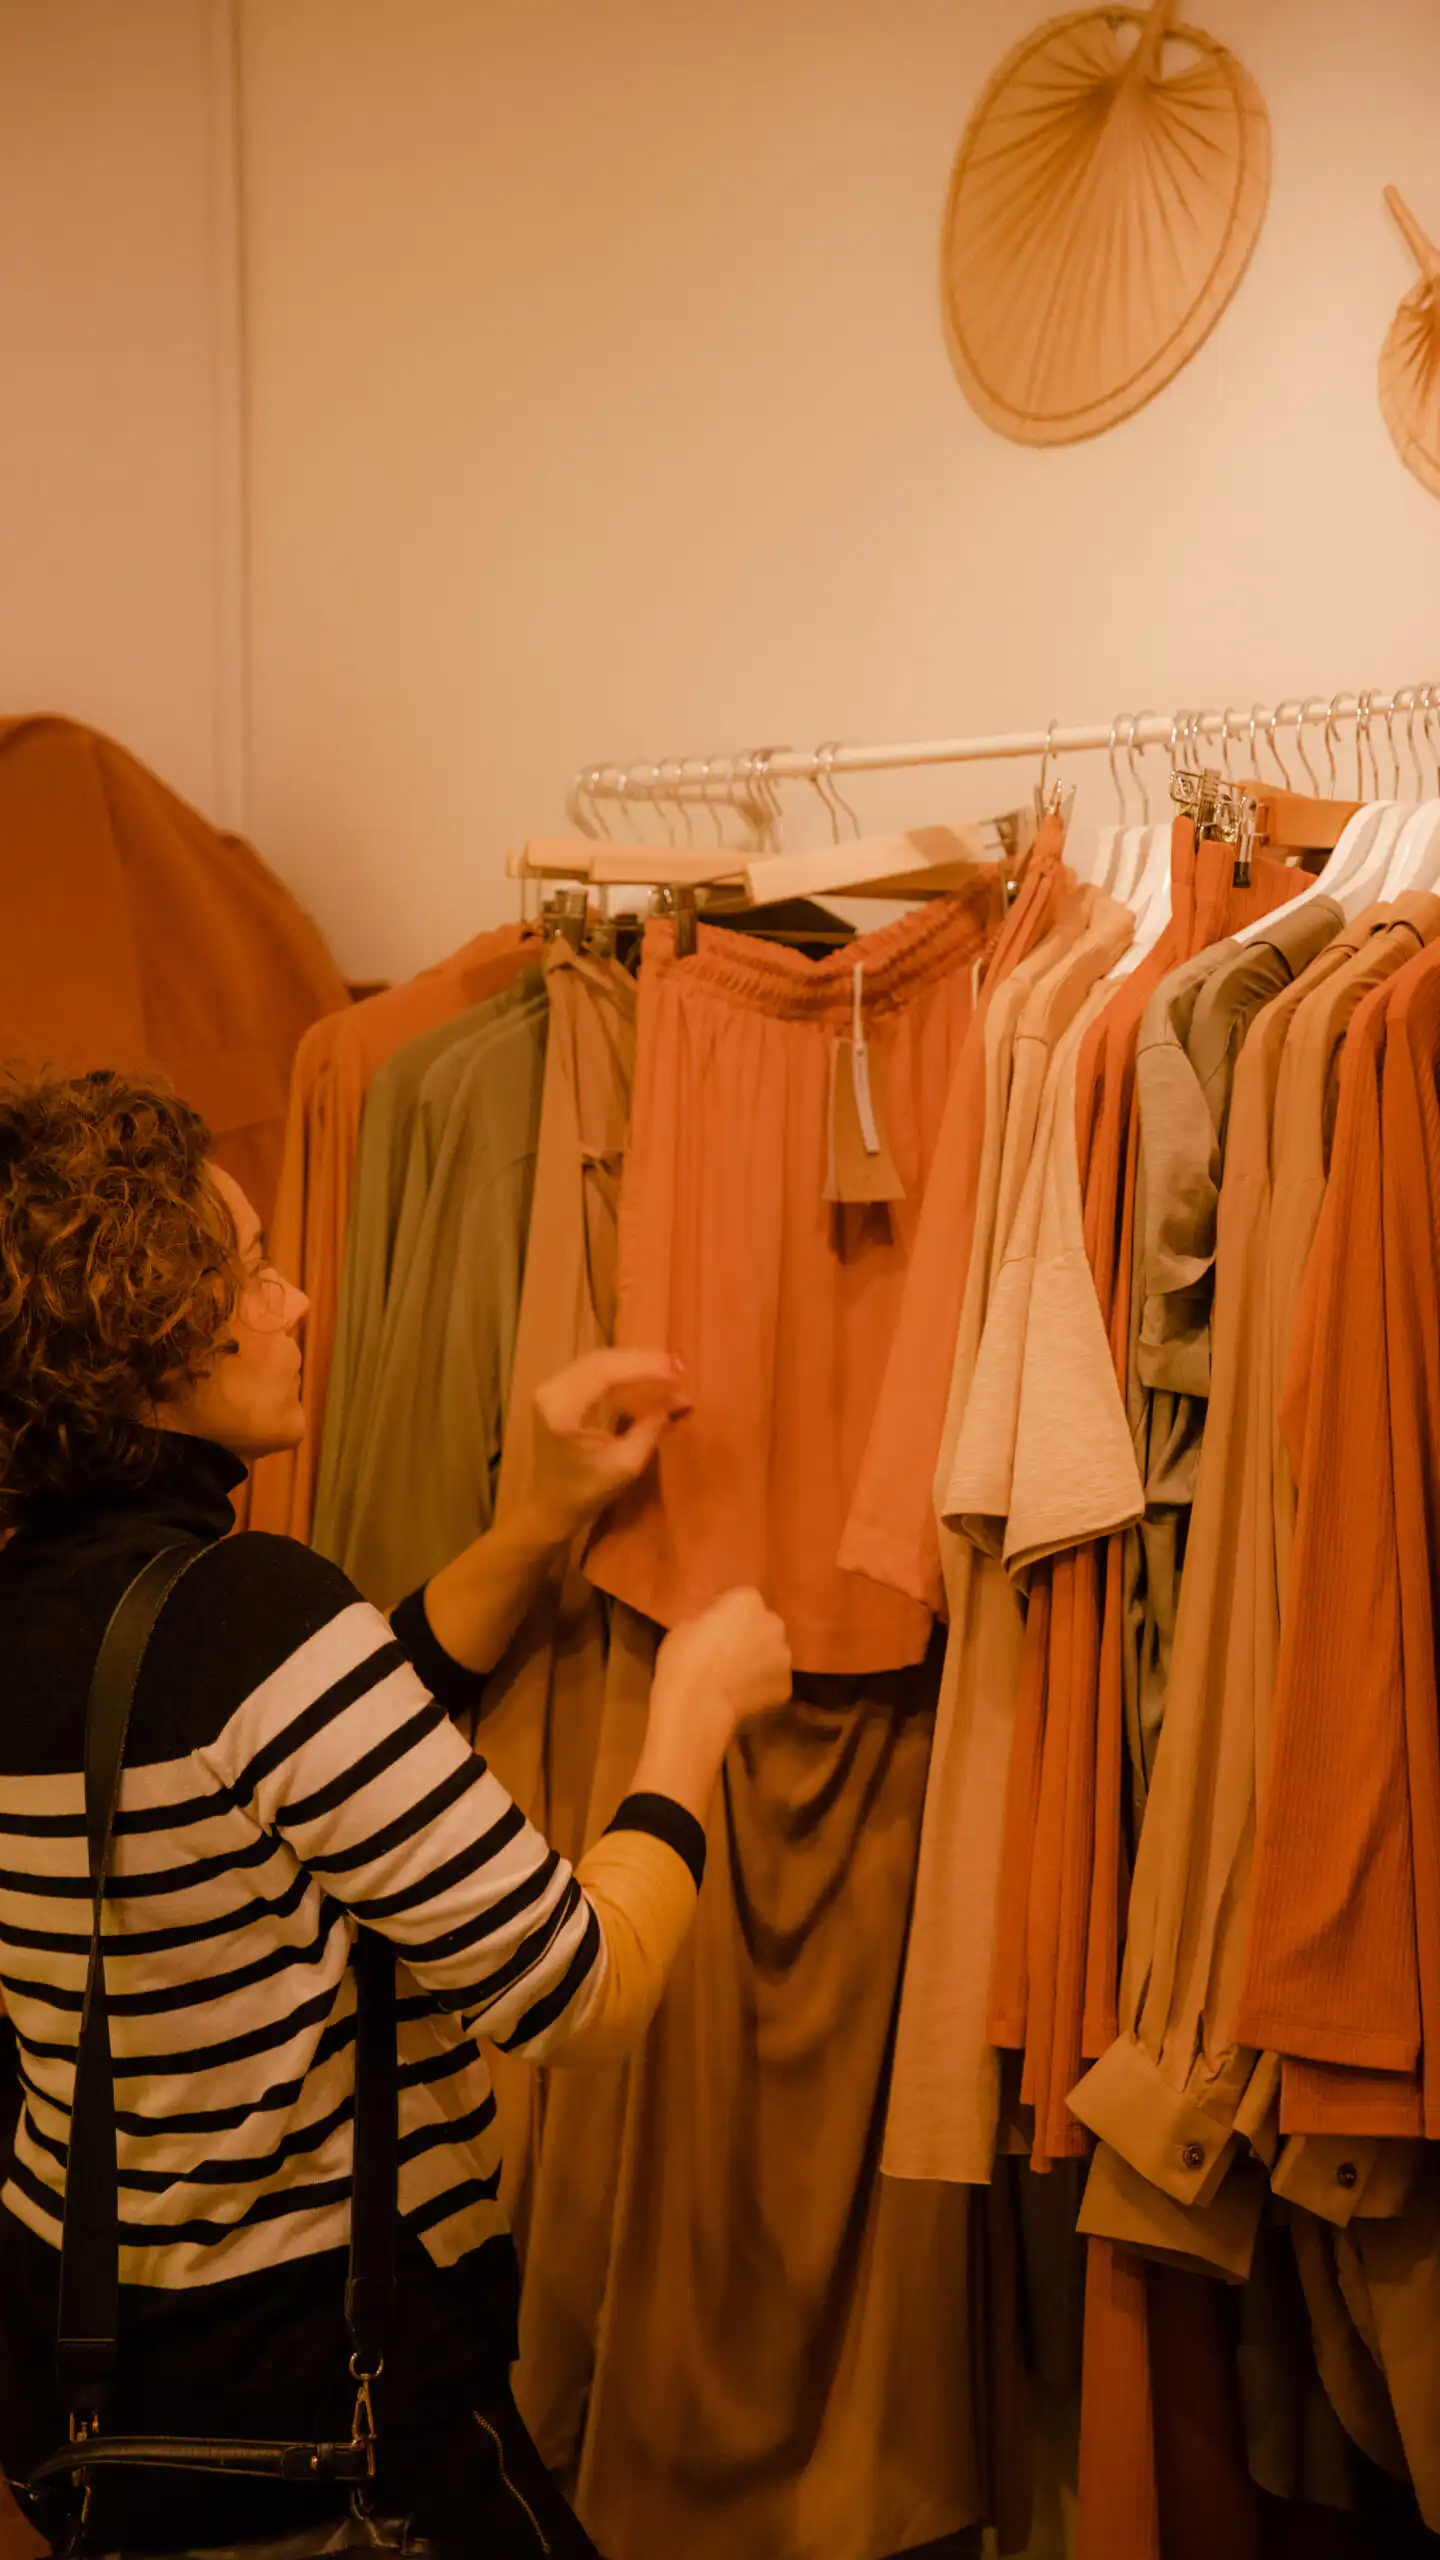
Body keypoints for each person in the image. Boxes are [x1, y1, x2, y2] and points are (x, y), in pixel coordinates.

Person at [0, 1067, 792, 2558]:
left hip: (99, 2380)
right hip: (325, 2402)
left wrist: (537, 1520)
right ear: (143, 1327)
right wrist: (691, 1722)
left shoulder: (60, 1614)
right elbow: (575, 1989)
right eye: (249, 1271)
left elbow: (288, 1780)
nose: (297, 1301)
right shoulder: (249, 1613)